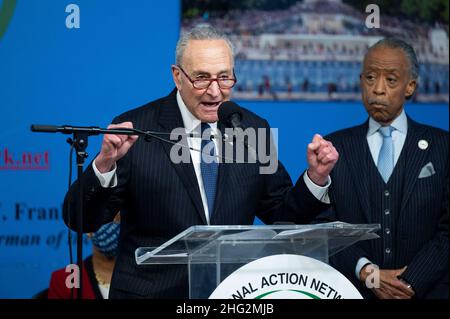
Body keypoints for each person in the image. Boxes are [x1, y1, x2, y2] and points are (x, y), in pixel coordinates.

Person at [63, 25, 339, 298]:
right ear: (177, 76)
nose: (215, 92)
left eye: (224, 77)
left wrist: (315, 179)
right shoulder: (137, 129)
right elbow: (82, 220)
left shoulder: (252, 130)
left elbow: (283, 218)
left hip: (231, 294)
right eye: (202, 78)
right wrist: (105, 165)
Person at [320, 38, 448, 299]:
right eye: (370, 77)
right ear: (360, 81)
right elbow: (323, 227)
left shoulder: (443, 147)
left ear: (410, 86)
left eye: (391, 80)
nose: (378, 89)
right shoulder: (334, 148)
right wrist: (370, 275)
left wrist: (409, 283)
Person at [48, 218, 120, 299]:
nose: (109, 225)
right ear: (87, 231)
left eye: (117, 218)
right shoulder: (63, 280)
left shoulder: (136, 276)